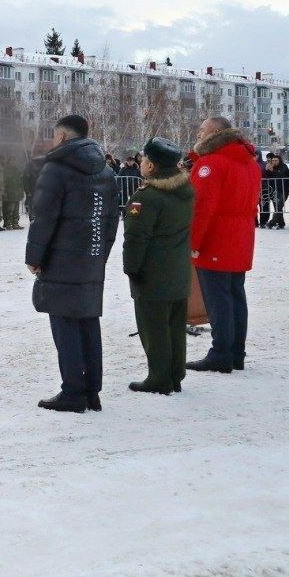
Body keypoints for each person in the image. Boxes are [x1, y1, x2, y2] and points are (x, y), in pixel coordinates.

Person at [25, 114, 119, 413]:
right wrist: (100, 253)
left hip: (62, 259)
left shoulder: (56, 170)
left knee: (64, 324)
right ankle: (92, 391)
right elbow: (111, 220)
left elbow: (44, 218)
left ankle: (73, 393)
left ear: (62, 137)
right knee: (88, 322)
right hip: (91, 256)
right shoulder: (106, 170)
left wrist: (34, 258)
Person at [186, 116, 261, 374]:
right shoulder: (249, 162)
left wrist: (193, 242)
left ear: (215, 132)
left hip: (216, 239)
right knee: (235, 296)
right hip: (240, 238)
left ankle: (221, 353)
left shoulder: (211, 164)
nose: (199, 133)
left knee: (218, 300)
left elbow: (201, 208)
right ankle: (236, 352)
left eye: (202, 129)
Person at [121, 138, 194, 396]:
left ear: (151, 166)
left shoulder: (147, 197)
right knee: (174, 325)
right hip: (178, 269)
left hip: (153, 272)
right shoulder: (185, 190)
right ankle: (175, 373)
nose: (140, 163)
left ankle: (160, 377)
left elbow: (136, 238)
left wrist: (131, 268)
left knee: (154, 328)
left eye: (143, 160)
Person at [259, 153, 289, 229]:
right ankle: (281, 223)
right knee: (278, 207)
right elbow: (270, 178)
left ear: (279, 160)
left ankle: (272, 222)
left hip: (283, 190)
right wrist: (267, 170)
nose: (274, 162)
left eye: (276, 160)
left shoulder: (284, 167)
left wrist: (272, 171)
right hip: (274, 191)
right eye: (273, 160)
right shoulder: (272, 167)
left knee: (278, 206)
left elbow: (280, 176)